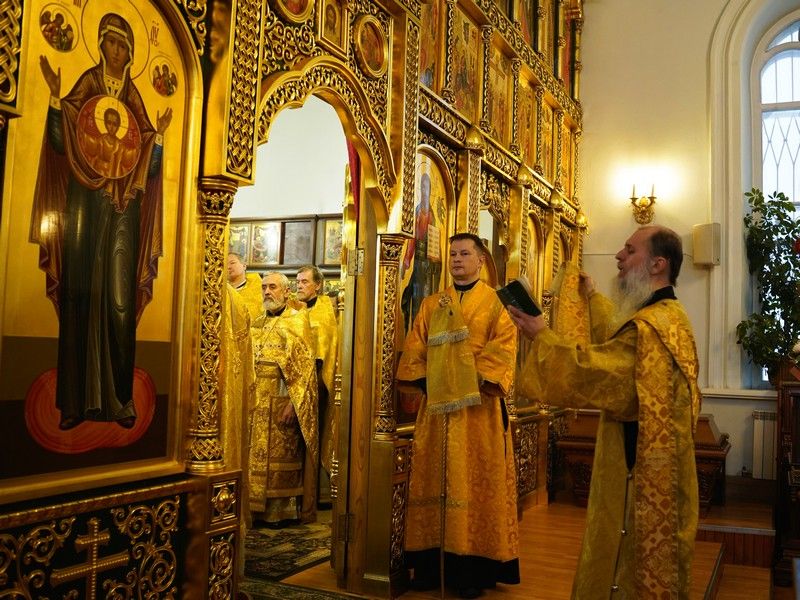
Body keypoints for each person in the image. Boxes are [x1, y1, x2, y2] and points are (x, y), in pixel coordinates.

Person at [508, 225, 702, 598]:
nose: (618, 256)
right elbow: (617, 336)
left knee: (629, 563)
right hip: (663, 461)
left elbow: (601, 371)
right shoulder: (668, 316)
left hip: (639, 470)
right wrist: (593, 295)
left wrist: (542, 335)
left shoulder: (651, 326)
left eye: (629, 250)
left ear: (658, 264)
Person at [31, 12, 172, 430]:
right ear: (100, 45)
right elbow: (61, 143)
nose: (117, 50)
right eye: (111, 42)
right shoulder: (86, 87)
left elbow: (149, 168)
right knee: (78, 294)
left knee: (118, 301)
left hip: (123, 211)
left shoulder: (134, 101)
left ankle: (119, 401)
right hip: (82, 207)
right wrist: (55, 101)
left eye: (124, 45)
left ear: (131, 54)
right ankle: (75, 404)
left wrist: (159, 137)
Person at [396, 233, 520, 599]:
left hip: (478, 412)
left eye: (465, 253)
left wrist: (463, 379)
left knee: (475, 484)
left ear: (481, 260)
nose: (456, 259)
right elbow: (414, 350)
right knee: (433, 480)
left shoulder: (497, 304)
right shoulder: (431, 304)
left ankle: (472, 571)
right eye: (452, 254)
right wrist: (432, 381)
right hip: (437, 413)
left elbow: (502, 350)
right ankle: (429, 567)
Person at [249, 272, 318, 527]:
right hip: (255, 401)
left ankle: (278, 513)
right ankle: (253, 510)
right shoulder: (256, 323)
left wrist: (292, 402)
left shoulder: (297, 321)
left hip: (280, 397)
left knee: (279, 457)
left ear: (286, 292)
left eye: (273, 287)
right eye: (264, 287)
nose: (267, 292)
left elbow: (304, 369)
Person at [296, 265, 338, 494]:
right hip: (292, 381)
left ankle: (312, 493)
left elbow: (324, 350)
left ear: (318, 285)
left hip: (315, 381)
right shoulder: (293, 309)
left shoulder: (324, 311)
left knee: (312, 436)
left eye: (305, 282)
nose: (299, 286)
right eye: (298, 282)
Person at [227, 252, 263, 320]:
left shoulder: (259, 288)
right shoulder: (219, 290)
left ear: (244, 266)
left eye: (232, 263)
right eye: (224, 264)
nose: (228, 267)